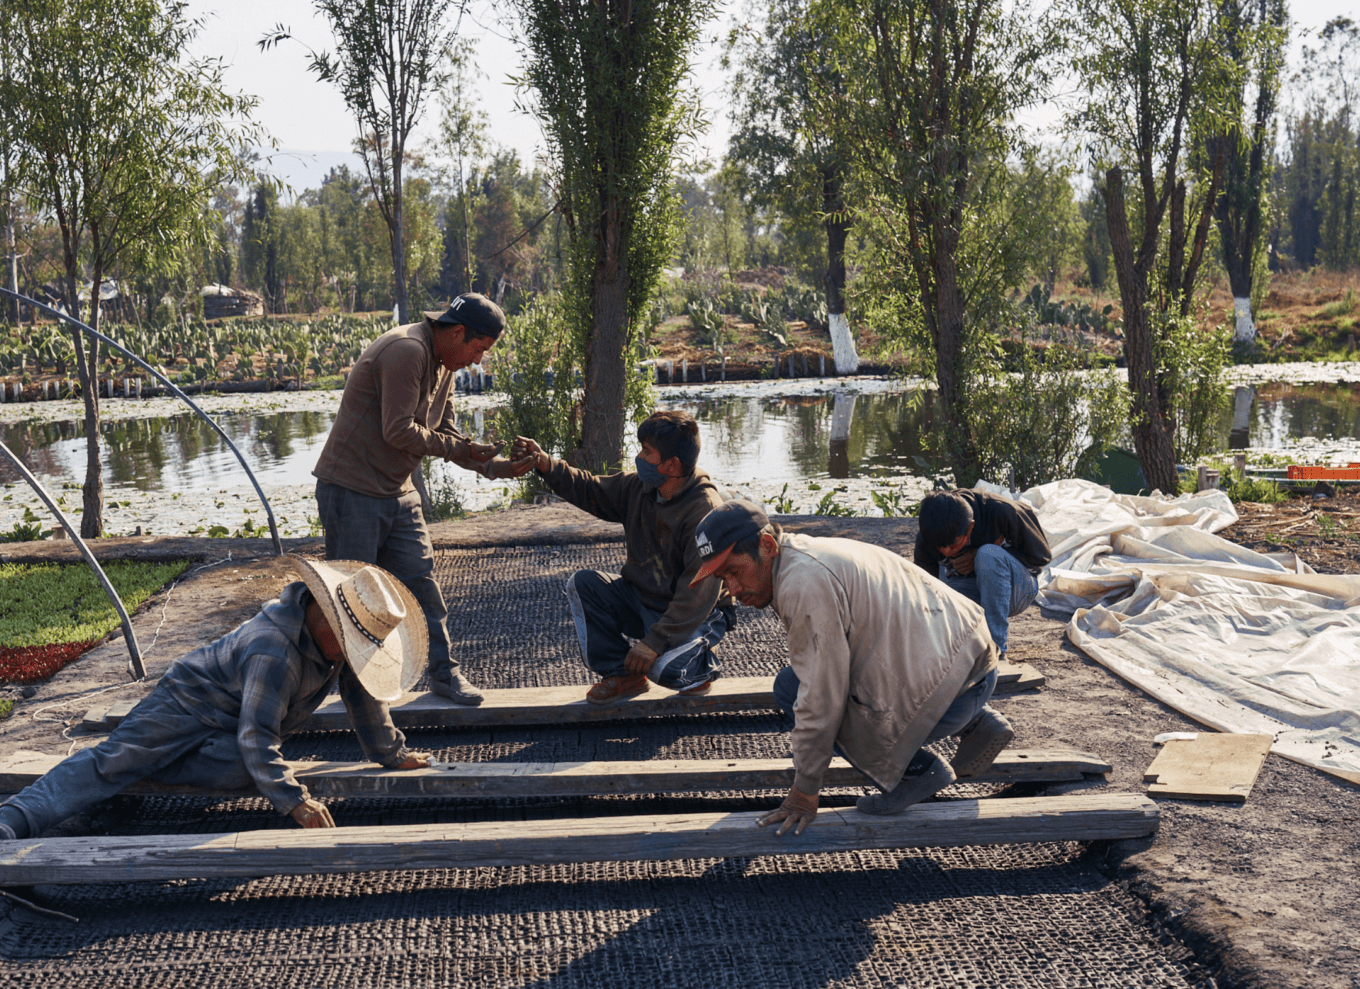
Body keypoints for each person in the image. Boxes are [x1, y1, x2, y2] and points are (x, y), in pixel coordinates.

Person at [0, 558, 435, 846]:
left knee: (247, 770)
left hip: (232, 725)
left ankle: (149, 759)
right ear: (326, 618)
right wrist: (297, 803)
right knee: (113, 763)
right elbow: (258, 736)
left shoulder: (336, 642)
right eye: (352, 643)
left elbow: (363, 696)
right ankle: (9, 819)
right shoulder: (274, 653)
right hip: (184, 705)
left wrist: (391, 754)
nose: (354, 655)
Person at [688, 499, 1014, 833]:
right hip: (973, 661)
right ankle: (977, 721)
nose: (733, 588)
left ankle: (917, 772)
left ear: (767, 545)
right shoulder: (799, 554)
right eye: (723, 578)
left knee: (793, 692)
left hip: (955, 686)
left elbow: (821, 698)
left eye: (733, 571)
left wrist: (805, 790)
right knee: (796, 680)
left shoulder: (803, 584)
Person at [313, 293, 536, 705]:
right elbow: (397, 431)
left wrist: (497, 466)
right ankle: (340, 691)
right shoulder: (407, 350)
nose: (477, 361)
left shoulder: (443, 362)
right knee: (353, 598)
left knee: (421, 585)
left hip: (398, 491)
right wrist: (463, 451)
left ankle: (444, 675)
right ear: (457, 332)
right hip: (352, 491)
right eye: (479, 349)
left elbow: (448, 437)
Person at [511, 411, 733, 705]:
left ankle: (701, 662)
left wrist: (653, 644)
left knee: (666, 670)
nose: (639, 457)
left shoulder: (703, 511)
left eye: (647, 451)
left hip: (698, 612)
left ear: (672, 464)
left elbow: (698, 593)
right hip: (646, 599)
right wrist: (545, 464)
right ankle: (623, 674)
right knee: (584, 584)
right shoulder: (639, 488)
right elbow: (589, 488)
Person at [913, 488, 1051, 658]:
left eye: (954, 545)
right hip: (973, 590)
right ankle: (956, 654)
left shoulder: (1003, 511)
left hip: (1018, 590)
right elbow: (925, 591)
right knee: (937, 595)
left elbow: (1041, 557)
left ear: (970, 527)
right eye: (941, 547)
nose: (947, 552)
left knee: (988, 555)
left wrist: (977, 555)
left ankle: (994, 652)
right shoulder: (927, 535)